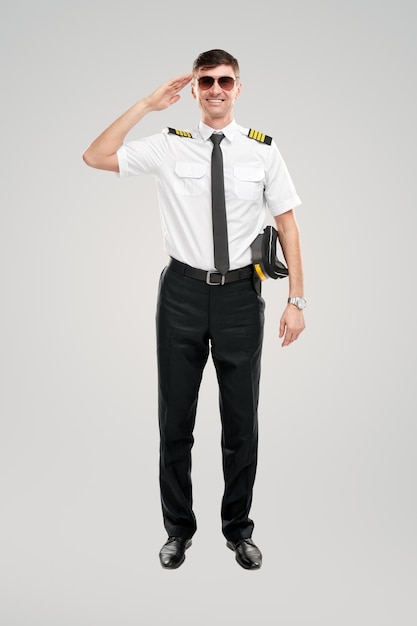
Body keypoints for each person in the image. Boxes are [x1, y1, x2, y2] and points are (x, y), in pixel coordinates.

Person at [82, 49, 306, 570]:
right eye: (206, 81)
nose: (216, 89)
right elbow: (95, 156)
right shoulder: (168, 146)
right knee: (175, 421)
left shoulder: (263, 152)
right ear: (196, 89)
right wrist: (145, 105)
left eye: (225, 80)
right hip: (181, 294)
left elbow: (289, 225)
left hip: (239, 297)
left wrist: (296, 299)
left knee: (241, 423)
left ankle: (238, 531)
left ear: (238, 87)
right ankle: (178, 531)